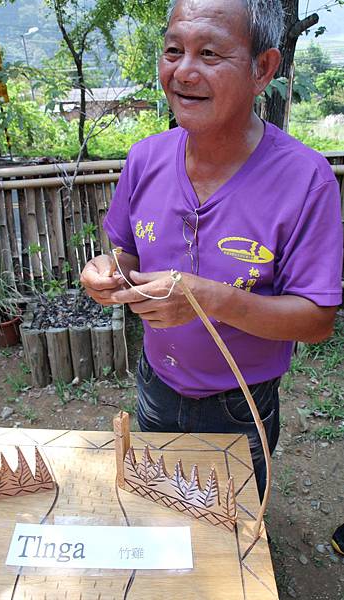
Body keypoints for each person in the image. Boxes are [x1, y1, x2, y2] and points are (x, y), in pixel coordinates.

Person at [81, 0, 343, 500]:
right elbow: (125, 251)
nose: (183, 71)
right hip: (155, 380)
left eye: (209, 53)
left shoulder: (306, 180)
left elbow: (317, 320)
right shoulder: (145, 158)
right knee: (160, 508)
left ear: (262, 68)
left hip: (240, 402)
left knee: (232, 526)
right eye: (174, 50)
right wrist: (107, 269)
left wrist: (209, 299)